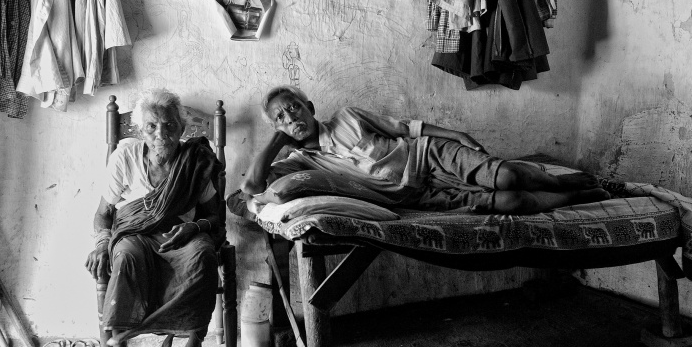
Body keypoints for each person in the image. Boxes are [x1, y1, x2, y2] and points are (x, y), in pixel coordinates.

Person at [242, 85, 610, 214]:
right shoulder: (299, 163)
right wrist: (277, 141)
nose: (291, 117)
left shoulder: (347, 117)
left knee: (509, 176)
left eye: (294, 107)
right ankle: (577, 198)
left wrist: (456, 134)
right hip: (416, 195)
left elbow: (405, 128)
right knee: (512, 202)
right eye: (281, 117)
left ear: (309, 107)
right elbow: (251, 188)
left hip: (428, 155)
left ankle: (566, 183)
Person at [86, 88, 224, 347]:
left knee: (203, 255)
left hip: (181, 236)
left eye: (169, 125)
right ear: (140, 129)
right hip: (135, 235)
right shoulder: (125, 157)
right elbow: (103, 213)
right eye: (152, 126)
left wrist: (193, 227)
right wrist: (102, 243)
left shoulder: (194, 161)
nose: (161, 134)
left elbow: (214, 216)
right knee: (125, 258)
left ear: (182, 128)